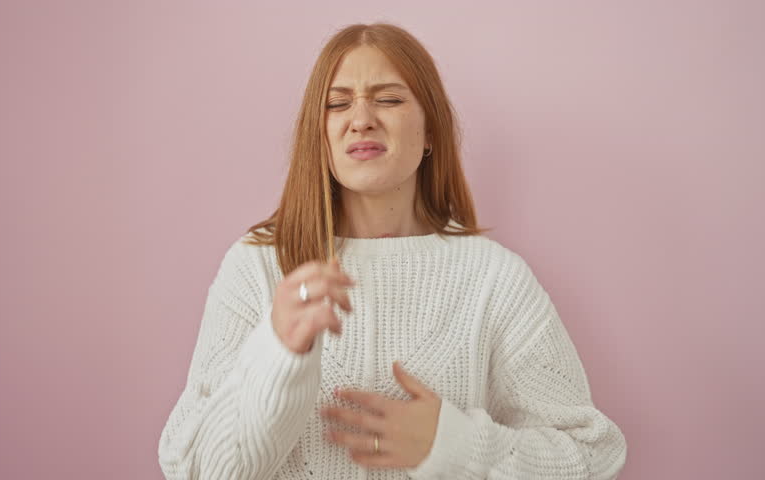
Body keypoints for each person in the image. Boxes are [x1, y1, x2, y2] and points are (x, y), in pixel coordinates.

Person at [157, 22, 627, 480]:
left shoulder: (494, 279)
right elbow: (192, 469)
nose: (361, 119)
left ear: (429, 134)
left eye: (388, 99)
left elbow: (593, 455)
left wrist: (455, 447)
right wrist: (276, 354)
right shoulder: (258, 268)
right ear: (318, 138)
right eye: (338, 104)